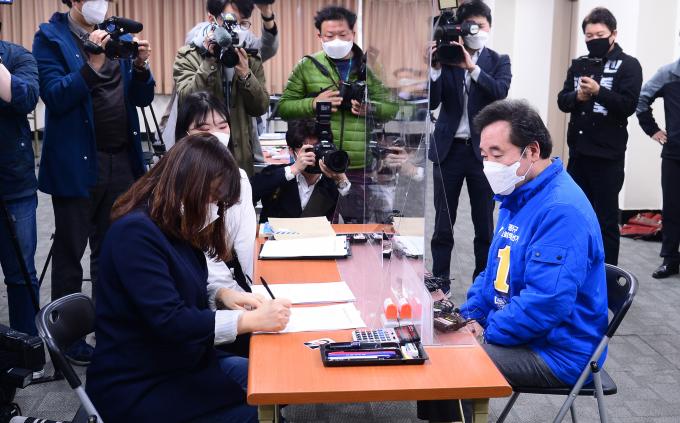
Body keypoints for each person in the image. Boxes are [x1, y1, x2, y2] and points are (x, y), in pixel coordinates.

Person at [418, 99, 608, 422]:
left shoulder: (561, 211)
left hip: (558, 351)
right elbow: (493, 273)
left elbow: (546, 303)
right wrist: (465, 318)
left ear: (531, 151)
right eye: (483, 155)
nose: (487, 164)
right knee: (439, 343)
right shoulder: (518, 194)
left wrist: (487, 330)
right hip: (527, 332)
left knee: (452, 363)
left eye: (497, 154)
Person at [86, 133, 292, 423]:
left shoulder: (172, 225)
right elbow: (170, 320)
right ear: (189, 186)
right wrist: (247, 321)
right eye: (213, 198)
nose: (215, 209)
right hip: (139, 383)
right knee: (260, 409)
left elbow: (176, 286)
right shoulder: (135, 234)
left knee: (278, 382)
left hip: (178, 362)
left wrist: (220, 295)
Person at [33, 0, 155, 364]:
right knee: (70, 253)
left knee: (113, 250)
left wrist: (141, 68)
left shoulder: (117, 34)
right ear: (73, 1)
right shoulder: (51, 38)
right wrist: (92, 66)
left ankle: (110, 329)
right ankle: (67, 341)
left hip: (122, 159)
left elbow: (141, 97)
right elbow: (55, 96)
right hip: (77, 163)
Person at [277, 5, 398, 223]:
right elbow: (284, 107)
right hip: (318, 163)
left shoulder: (369, 68)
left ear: (353, 33)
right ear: (319, 36)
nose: (336, 40)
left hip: (358, 164)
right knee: (317, 226)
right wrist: (313, 103)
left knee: (357, 226)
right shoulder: (307, 66)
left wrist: (371, 109)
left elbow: (392, 108)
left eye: (342, 35)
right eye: (330, 35)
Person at [428, 0, 512, 293]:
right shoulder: (447, 57)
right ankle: (440, 282)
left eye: (481, 25)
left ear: (490, 27)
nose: (476, 30)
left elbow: (499, 92)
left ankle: (482, 284)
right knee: (443, 223)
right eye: (470, 25)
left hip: (483, 155)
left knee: (484, 224)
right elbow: (432, 102)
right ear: (460, 28)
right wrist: (435, 69)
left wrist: (472, 68)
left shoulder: (499, 60)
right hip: (448, 150)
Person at [557, 7, 642, 266]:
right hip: (579, 154)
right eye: (589, 35)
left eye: (600, 35)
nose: (594, 39)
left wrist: (598, 92)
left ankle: (607, 276)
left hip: (607, 157)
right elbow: (562, 101)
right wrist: (578, 96)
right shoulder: (579, 64)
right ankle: (575, 269)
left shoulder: (629, 65)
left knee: (606, 221)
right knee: (574, 216)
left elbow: (628, 106)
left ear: (613, 34)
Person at [162, 0, 279, 151]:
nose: (236, 28)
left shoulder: (248, 57)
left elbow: (260, 108)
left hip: (240, 152)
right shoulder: (189, 55)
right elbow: (187, 101)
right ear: (212, 19)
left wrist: (245, 74)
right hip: (200, 151)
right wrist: (210, 60)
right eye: (231, 21)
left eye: (243, 23)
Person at [0, 26, 41, 336]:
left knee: (21, 273)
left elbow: (25, 98)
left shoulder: (17, 56)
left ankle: (27, 346)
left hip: (14, 184)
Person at [636, 38, 680, 279]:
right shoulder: (669, 73)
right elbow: (641, 99)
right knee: (672, 208)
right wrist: (652, 130)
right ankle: (670, 259)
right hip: (675, 154)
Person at [252, 119, 351, 223]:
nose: (314, 154)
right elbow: (249, 194)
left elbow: (353, 217)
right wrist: (293, 169)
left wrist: (342, 181)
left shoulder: (331, 181)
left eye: (318, 148)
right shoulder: (278, 174)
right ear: (291, 151)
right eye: (308, 149)